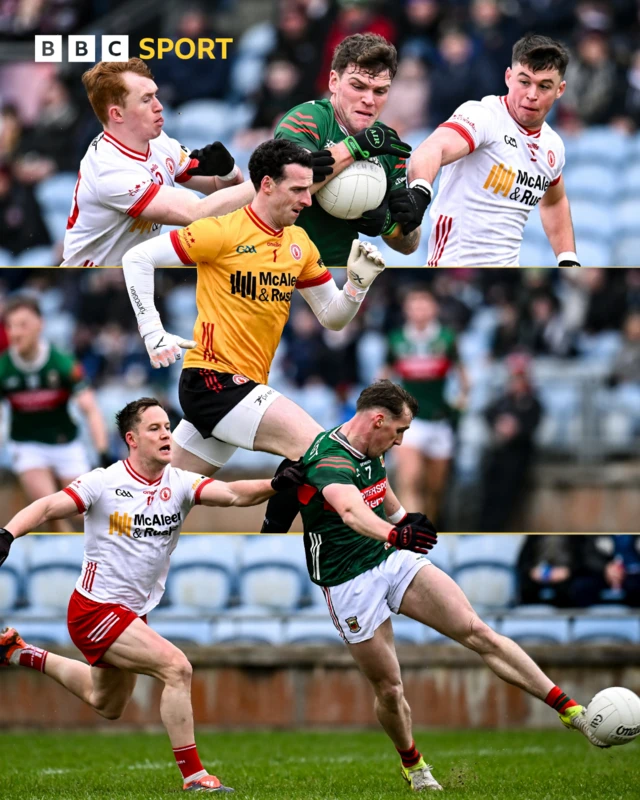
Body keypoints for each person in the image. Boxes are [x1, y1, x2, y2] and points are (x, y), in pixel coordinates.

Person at [296, 379, 607, 791]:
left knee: (478, 631)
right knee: (390, 690)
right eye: (400, 431)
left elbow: (377, 487)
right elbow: (352, 511)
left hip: (389, 561)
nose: (402, 442)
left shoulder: (371, 446)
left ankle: (571, 711)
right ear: (377, 420)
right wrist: (394, 534)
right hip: (347, 582)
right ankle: (413, 765)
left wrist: (403, 518)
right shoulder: (330, 460)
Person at [0, 397, 303, 793]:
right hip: (95, 610)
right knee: (177, 668)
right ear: (132, 439)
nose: (166, 435)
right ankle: (195, 777)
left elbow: (232, 494)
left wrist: (275, 484)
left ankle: (20, 652)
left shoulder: (178, 482)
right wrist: (8, 533)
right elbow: (47, 506)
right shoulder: (104, 482)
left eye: (167, 427)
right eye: (155, 429)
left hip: (130, 614)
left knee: (106, 704)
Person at [122, 138, 386, 534]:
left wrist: (356, 288)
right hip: (213, 382)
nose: (309, 200)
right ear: (266, 185)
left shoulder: (299, 243)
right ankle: (272, 537)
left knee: (156, 515)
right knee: (319, 449)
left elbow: (333, 317)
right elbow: (137, 257)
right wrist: (151, 331)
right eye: (298, 189)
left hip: (242, 390)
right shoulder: (222, 231)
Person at [405, 34, 581, 267]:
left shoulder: (553, 145)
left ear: (560, 90)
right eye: (524, 81)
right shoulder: (483, 116)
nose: (532, 95)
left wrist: (567, 257)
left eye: (544, 86)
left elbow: (554, 201)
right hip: (455, 265)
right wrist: (420, 191)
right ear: (509, 77)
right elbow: (432, 149)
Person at [61, 58, 251, 267]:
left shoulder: (159, 141)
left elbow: (220, 191)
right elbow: (197, 213)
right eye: (146, 99)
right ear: (116, 114)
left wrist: (228, 171)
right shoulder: (109, 170)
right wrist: (271, 176)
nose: (159, 106)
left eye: (156, 95)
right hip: (92, 283)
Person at [274, 33, 426, 265]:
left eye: (380, 91)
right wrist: (354, 148)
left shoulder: (387, 142)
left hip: (341, 273)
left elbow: (410, 244)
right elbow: (283, 196)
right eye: (358, 86)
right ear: (334, 82)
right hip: (284, 266)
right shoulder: (307, 120)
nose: (369, 100)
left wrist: (390, 225)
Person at [0, 295, 110, 533]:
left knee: (81, 515)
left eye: (23, 325)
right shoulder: (3, 368)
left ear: (40, 324)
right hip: (27, 445)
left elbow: (90, 409)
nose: (15, 333)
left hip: (66, 445)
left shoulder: (62, 363)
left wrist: (102, 454)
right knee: (47, 510)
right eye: (10, 326)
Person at [385, 286, 469, 524]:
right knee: (410, 479)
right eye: (414, 305)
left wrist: (461, 399)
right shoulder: (396, 339)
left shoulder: (447, 338)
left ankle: (426, 528)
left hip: (440, 420)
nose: (419, 310)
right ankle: (410, 531)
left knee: (434, 489)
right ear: (406, 310)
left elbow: (463, 377)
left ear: (434, 308)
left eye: (424, 304)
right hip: (410, 422)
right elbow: (384, 374)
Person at [478, 353, 542, 532]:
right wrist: (500, 425)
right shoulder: (503, 401)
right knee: (489, 502)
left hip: (518, 459)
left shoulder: (531, 402)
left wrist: (515, 428)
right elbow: (487, 414)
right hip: (497, 458)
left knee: (508, 503)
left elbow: (531, 425)